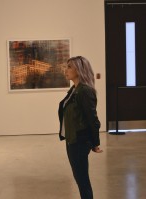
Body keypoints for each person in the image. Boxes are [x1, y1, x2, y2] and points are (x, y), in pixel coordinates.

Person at [58, 56, 103, 199]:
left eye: (69, 67)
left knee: (82, 180)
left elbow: (93, 120)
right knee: (79, 178)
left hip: (79, 141)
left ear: (79, 69)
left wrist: (95, 143)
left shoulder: (85, 91)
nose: (66, 70)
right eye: (66, 66)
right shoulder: (74, 89)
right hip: (72, 139)